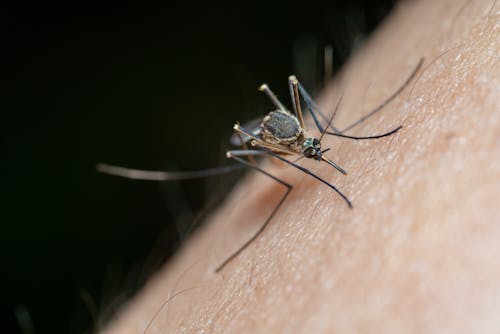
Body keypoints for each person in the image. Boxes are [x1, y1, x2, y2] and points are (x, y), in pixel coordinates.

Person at [105, 0, 500, 332]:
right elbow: (260, 142)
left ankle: (339, 134)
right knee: (241, 150)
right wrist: (305, 173)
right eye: (312, 149)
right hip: (266, 140)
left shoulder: (305, 132)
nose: (316, 151)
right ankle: (285, 176)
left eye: (314, 148)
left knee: (296, 91)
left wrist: (338, 134)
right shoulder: (283, 141)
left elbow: (310, 128)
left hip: (288, 131)